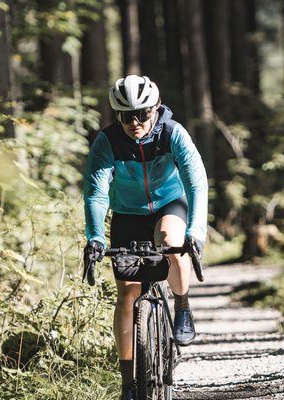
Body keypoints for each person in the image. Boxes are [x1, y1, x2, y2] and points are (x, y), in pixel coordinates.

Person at [82, 75, 208, 400]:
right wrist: (95, 237)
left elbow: (196, 184)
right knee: (126, 297)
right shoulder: (107, 143)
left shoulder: (172, 134)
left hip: (169, 203)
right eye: (126, 116)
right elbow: (95, 195)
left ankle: (181, 306)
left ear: (154, 109)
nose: (134, 123)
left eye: (141, 114)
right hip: (127, 214)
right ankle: (127, 384)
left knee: (169, 239)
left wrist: (195, 231)